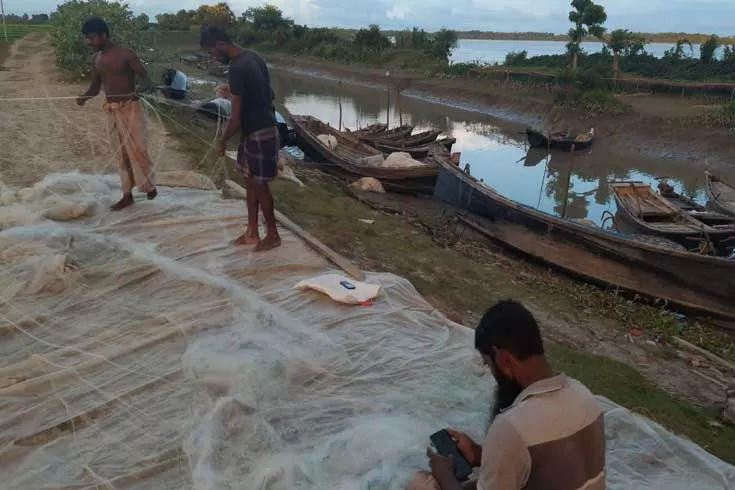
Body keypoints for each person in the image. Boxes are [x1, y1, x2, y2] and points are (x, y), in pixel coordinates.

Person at [411, 300, 605, 490]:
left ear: (503, 359)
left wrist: (444, 476)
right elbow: (551, 465)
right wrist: (480, 454)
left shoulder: (512, 428)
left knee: (421, 484)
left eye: (489, 364)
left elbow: (521, 441)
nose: (493, 375)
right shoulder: (585, 397)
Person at [199, 25, 281, 252]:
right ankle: (252, 232)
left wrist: (222, 142)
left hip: (259, 131)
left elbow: (234, 119)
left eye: (212, 53)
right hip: (259, 128)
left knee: (259, 184)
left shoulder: (237, 68)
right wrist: (235, 93)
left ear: (219, 45)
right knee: (250, 180)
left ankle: (272, 235)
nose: (213, 58)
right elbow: (269, 94)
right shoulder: (253, 56)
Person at [76, 17, 157, 211]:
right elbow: (96, 88)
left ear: (103, 35)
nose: (89, 42)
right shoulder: (96, 59)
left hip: (131, 107)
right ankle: (127, 194)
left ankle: (148, 185)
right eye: (87, 38)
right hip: (111, 109)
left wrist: (138, 89)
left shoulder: (126, 55)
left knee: (138, 149)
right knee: (120, 154)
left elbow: (145, 80)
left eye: (92, 38)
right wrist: (84, 97)